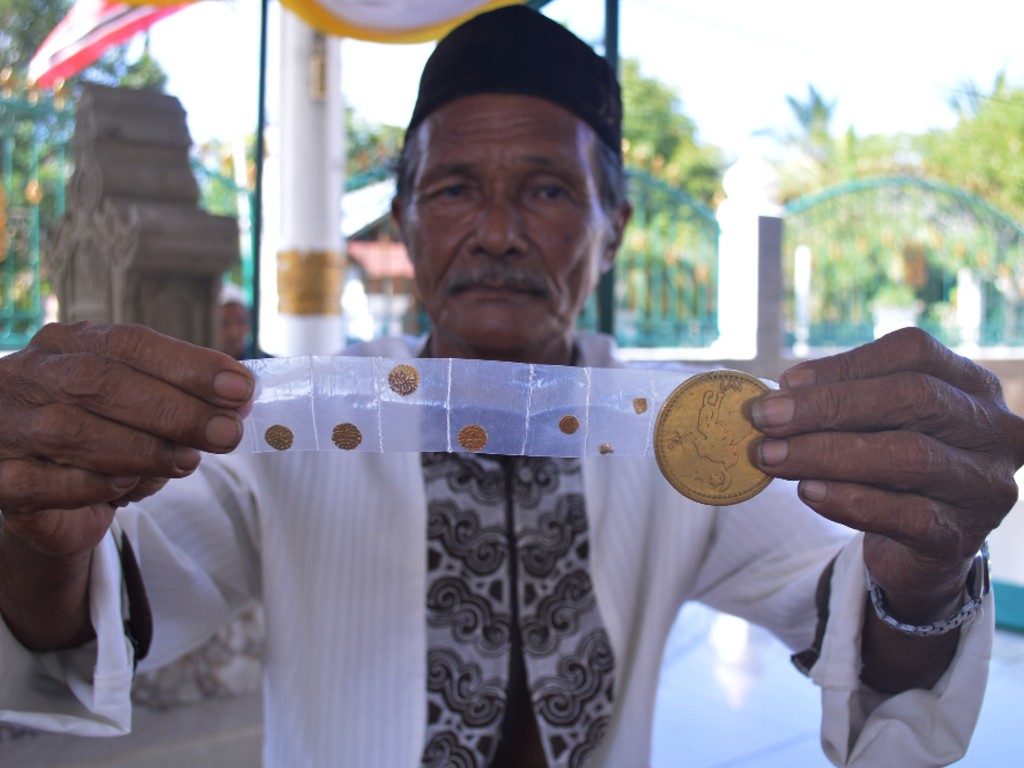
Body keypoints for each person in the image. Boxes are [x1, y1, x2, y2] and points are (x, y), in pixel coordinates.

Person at [0, 6, 1021, 767]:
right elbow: (94, 615)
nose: (494, 233)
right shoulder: (292, 424)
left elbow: (856, 625)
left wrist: (922, 571)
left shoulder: (685, 427)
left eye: (545, 189)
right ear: (402, 221)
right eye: (452, 189)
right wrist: (36, 531)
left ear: (612, 228)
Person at [218, 281, 252, 360]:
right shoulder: (202, 365)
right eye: (224, 323)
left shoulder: (267, 364)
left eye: (241, 322)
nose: (233, 332)